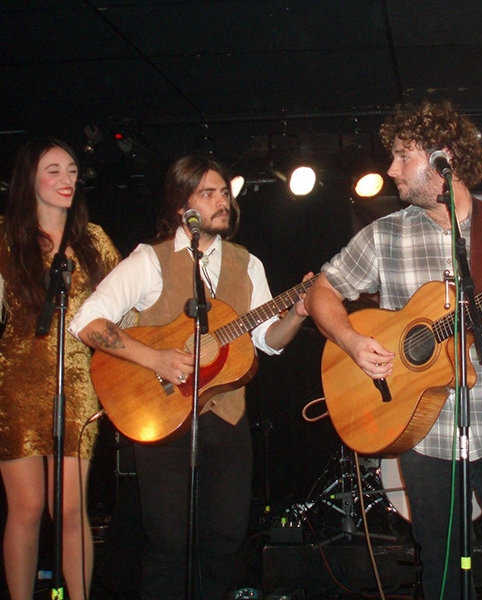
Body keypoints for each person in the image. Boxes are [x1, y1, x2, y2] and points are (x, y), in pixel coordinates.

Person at [304, 99, 482, 600]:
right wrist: (352, 340)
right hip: (425, 432)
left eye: (402, 156)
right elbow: (321, 291)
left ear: (443, 160)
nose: (391, 168)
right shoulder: (384, 234)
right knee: (440, 564)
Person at [69, 154, 310, 600]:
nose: (223, 201)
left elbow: (266, 341)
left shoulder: (247, 263)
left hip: (227, 419)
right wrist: (156, 359)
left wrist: (296, 313)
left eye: (224, 192)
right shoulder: (150, 260)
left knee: (225, 540)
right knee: (169, 543)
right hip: (161, 416)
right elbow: (86, 320)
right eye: (209, 193)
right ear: (184, 208)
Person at [0, 138, 121, 600]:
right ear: (29, 179)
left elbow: (124, 310)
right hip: (16, 377)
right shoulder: (7, 238)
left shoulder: (93, 241)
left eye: (72, 170)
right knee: (27, 509)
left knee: (70, 510)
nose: (67, 179)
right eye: (54, 170)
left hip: (77, 380)